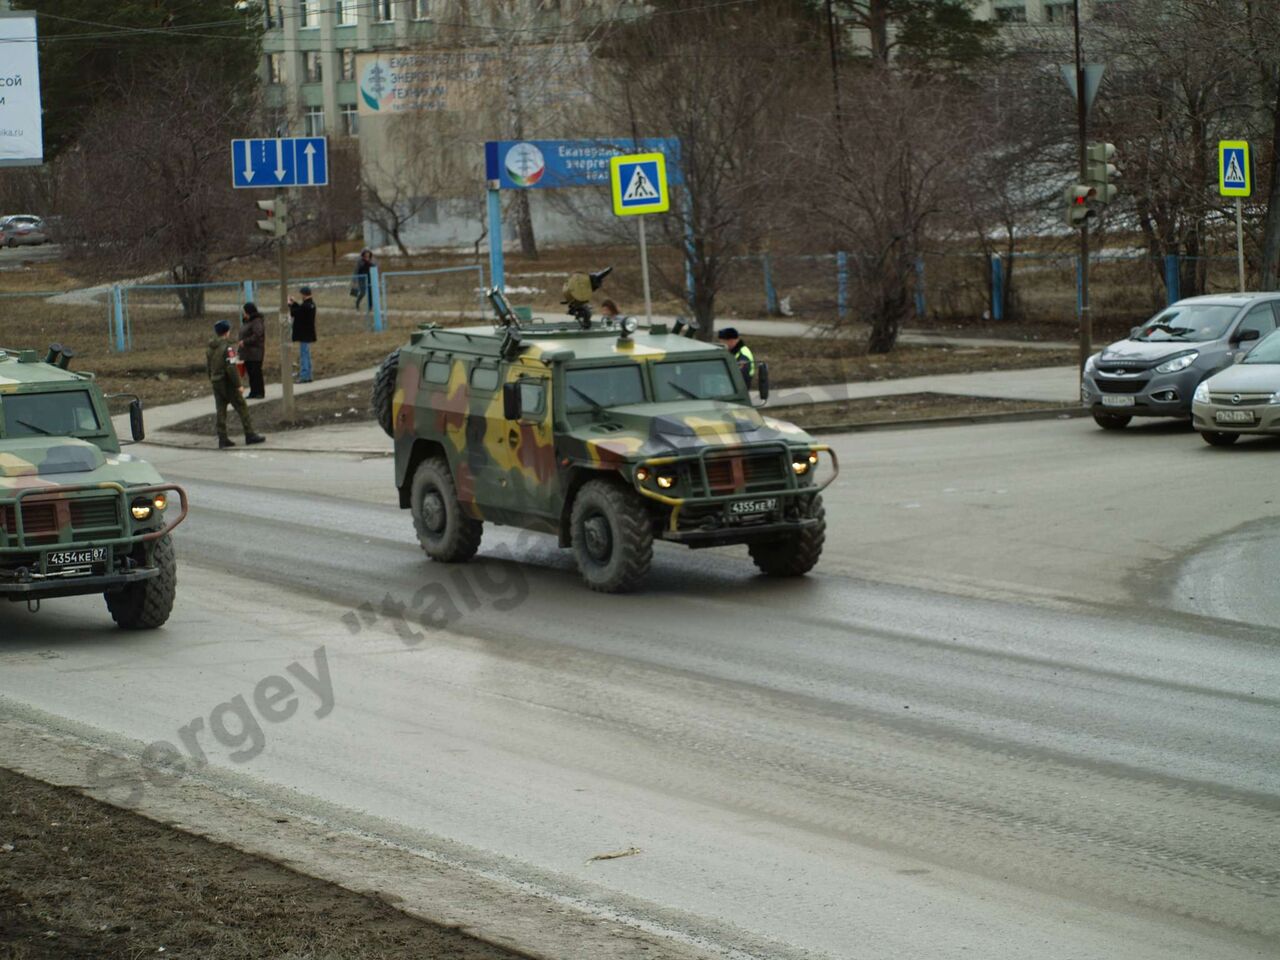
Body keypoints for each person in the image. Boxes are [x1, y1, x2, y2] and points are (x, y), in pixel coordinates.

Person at [207, 320, 265, 449]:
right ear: (227, 332)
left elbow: (208, 367)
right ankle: (249, 434)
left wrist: (211, 379)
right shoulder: (227, 348)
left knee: (220, 410)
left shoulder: (210, 348)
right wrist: (238, 385)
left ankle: (222, 438)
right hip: (227, 382)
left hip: (216, 382)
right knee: (241, 406)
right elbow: (231, 368)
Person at [288, 285, 318, 383]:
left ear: (304, 295)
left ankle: (304, 375)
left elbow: (295, 313)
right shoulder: (311, 304)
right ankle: (308, 374)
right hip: (308, 333)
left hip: (304, 334)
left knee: (304, 355)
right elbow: (300, 309)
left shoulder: (306, 306)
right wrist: (294, 303)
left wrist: (290, 305)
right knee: (307, 354)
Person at [238, 302, 266, 399]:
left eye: (244, 311)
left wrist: (245, 342)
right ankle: (253, 392)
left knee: (256, 373)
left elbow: (257, 335)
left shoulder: (256, 321)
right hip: (248, 353)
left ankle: (259, 392)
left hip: (255, 352)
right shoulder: (248, 321)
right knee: (251, 373)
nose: (243, 313)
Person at [351, 249, 375, 313]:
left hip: (370, 278)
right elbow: (355, 270)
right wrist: (354, 280)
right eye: (366, 253)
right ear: (363, 254)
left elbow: (375, 267)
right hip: (361, 278)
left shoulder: (371, 261)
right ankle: (357, 303)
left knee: (370, 292)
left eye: (368, 253)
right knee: (363, 292)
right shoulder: (360, 261)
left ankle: (370, 307)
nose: (367, 255)